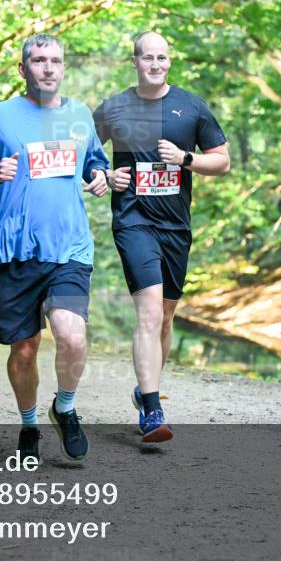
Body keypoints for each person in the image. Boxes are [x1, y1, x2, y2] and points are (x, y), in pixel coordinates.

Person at [0, 33, 109, 461]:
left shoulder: (81, 115)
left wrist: (99, 175)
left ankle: (64, 408)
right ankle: (29, 425)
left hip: (69, 249)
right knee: (23, 349)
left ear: (64, 68)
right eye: (39, 60)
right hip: (14, 252)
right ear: (23, 69)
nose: (48, 67)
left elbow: (95, 160)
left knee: (72, 336)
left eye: (56, 61)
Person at [93, 31, 230, 442]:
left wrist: (187, 159)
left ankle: (145, 387)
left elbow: (222, 161)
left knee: (166, 315)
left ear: (169, 62)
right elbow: (85, 152)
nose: (155, 64)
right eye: (147, 58)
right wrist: (103, 175)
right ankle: (153, 410)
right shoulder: (114, 107)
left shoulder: (190, 107)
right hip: (133, 221)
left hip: (175, 225)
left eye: (162, 58)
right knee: (150, 311)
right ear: (133, 61)